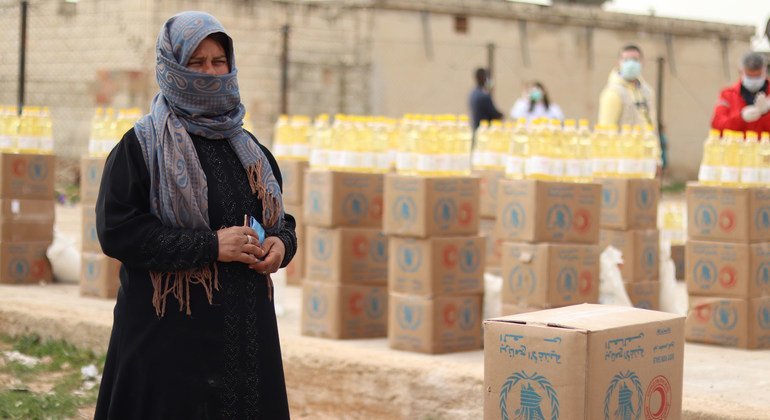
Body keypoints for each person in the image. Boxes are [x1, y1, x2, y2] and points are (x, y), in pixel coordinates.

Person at [94, 11, 296, 419]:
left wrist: (281, 244)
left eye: (218, 62)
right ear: (171, 68)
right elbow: (117, 231)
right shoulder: (141, 147)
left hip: (245, 340)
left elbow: (279, 221)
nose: (210, 73)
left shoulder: (249, 148)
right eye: (195, 63)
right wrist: (210, 246)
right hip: (169, 341)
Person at [597, 44, 657, 129]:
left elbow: (652, 124)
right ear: (618, 62)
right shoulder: (613, 92)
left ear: (642, 62)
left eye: (635, 59)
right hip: (625, 142)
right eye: (626, 60)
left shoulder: (647, 91)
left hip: (646, 141)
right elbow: (606, 129)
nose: (631, 64)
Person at [711, 51, 770, 134]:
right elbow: (717, 124)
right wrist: (741, 118)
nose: (753, 80)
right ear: (741, 71)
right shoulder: (728, 95)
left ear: (765, 71)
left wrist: (766, 114)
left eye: (757, 76)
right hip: (738, 146)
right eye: (749, 76)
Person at [468, 67, 503, 132]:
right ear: (483, 78)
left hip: (475, 129)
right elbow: (495, 114)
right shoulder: (484, 96)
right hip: (485, 132)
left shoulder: (472, 93)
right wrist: (502, 115)